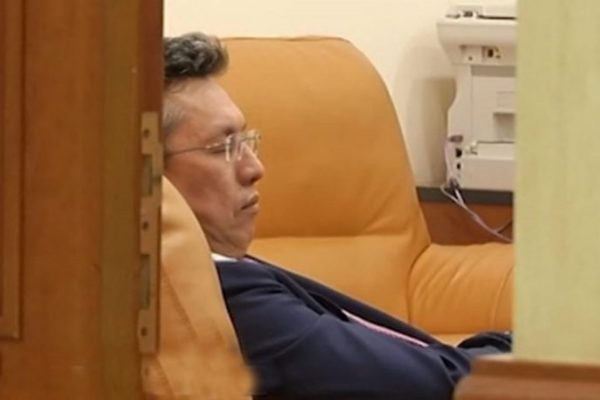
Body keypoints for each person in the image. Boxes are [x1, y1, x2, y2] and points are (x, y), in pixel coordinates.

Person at [162, 32, 511, 400]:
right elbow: (428, 386)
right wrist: (522, 351)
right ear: (149, 173)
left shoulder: (226, 270)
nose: (255, 168)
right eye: (223, 147)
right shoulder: (221, 297)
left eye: (246, 142)